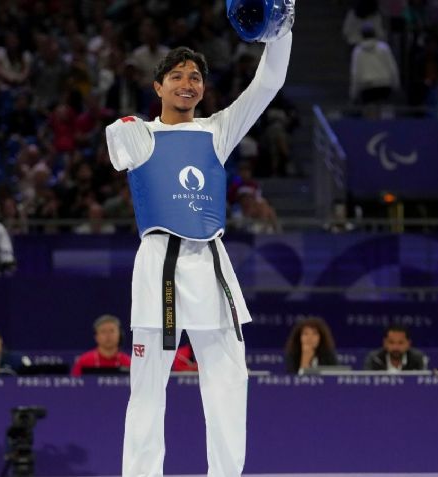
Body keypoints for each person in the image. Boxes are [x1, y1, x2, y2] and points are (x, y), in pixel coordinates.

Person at [105, 3, 293, 475]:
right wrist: (125, 128)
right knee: (147, 391)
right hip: (158, 267)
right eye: (178, 76)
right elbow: (117, 150)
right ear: (158, 86)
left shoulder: (218, 131)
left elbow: (268, 84)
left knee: (230, 384)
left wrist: (283, 28)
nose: (188, 83)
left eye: (195, 77)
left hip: (210, 263)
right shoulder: (138, 134)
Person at [363, 324, 428, 372]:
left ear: (408, 343)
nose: (395, 347)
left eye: (400, 343)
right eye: (391, 342)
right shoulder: (374, 358)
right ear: (385, 343)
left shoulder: (417, 359)